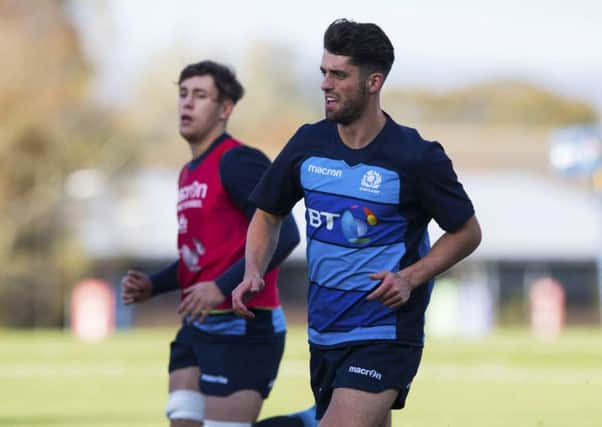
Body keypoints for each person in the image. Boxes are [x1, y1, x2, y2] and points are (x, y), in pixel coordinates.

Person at [232, 19, 482, 427]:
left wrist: (409, 278)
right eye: (324, 72)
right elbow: (267, 213)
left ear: (373, 82)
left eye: (339, 74)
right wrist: (253, 271)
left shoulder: (416, 156)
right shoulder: (307, 144)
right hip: (325, 333)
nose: (325, 84)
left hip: (385, 332)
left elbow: (467, 232)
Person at [121, 60, 311, 427]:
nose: (187, 104)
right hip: (197, 327)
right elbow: (200, 259)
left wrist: (221, 288)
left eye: (200, 96)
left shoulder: (238, 161)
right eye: (183, 94)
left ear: (225, 109)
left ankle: (317, 421)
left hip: (243, 327)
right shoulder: (188, 172)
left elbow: (285, 232)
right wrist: (153, 285)